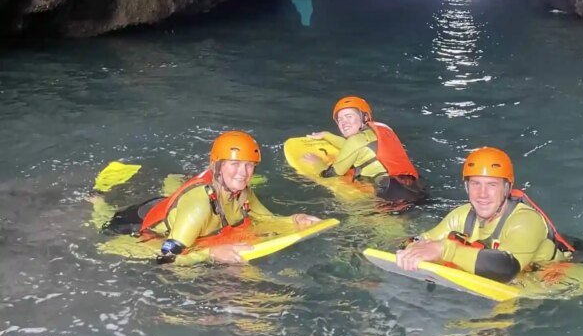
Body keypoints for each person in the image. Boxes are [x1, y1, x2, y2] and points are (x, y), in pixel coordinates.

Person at [107, 130, 321, 264]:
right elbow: (166, 259)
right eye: (235, 164)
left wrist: (295, 220)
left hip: (173, 209)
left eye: (249, 165)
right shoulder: (199, 207)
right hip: (136, 225)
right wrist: (210, 254)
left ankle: (172, 184)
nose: (243, 173)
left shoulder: (242, 191)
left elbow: (265, 220)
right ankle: (98, 200)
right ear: (218, 167)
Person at [395, 146, 572, 281]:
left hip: (564, 279)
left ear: (507, 188)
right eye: (475, 184)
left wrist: (444, 249)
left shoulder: (525, 220)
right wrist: (413, 248)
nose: (482, 194)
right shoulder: (461, 216)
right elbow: (417, 241)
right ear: (466, 187)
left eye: (492, 185)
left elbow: (505, 268)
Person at [304, 96, 429, 206]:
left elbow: (331, 174)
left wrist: (317, 162)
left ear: (364, 117)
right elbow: (355, 148)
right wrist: (327, 135)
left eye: (349, 116)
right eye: (340, 119)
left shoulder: (356, 141)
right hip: (416, 188)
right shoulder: (379, 130)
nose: (343, 122)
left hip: (393, 198)